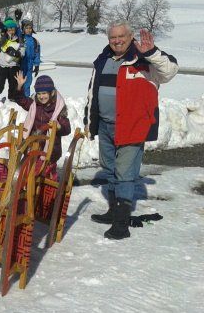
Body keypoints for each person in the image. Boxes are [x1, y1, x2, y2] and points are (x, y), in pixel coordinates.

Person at [84, 23, 178, 240]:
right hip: (106, 125)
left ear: (130, 36)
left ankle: (121, 223)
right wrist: (90, 120)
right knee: (109, 169)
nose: (117, 40)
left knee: (124, 173)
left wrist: (152, 52)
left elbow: (170, 71)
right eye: (112, 37)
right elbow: (92, 91)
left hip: (132, 127)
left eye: (121, 36)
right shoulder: (103, 60)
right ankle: (113, 211)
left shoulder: (144, 59)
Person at [14, 72, 70, 164]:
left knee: (47, 170)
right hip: (33, 145)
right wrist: (19, 87)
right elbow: (21, 100)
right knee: (30, 169)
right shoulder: (34, 105)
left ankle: (51, 176)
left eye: (44, 93)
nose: (41, 96)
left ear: (51, 92)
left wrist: (59, 127)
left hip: (50, 149)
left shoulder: (58, 109)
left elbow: (67, 129)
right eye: (39, 94)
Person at [0, 18, 22, 102]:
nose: (11, 30)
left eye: (13, 28)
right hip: (2, 65)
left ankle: (13, 99)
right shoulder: (2, 37)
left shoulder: (18, 38)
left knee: (13, 84)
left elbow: (22, 49)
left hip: (14, 65)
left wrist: (19, 54)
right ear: (6, 29)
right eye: (9, 28)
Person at [20, 19, 41, 97]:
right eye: (26, 28)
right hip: (20, 65)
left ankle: (26, 98)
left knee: (28, 82)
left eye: (30, 28)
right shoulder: (20, 39)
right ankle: (17, 99)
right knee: (18, 83)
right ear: (23, 29)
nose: (28, 30)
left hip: (29, 65)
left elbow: (37, 53)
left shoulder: (35, 41)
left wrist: (37, 65)